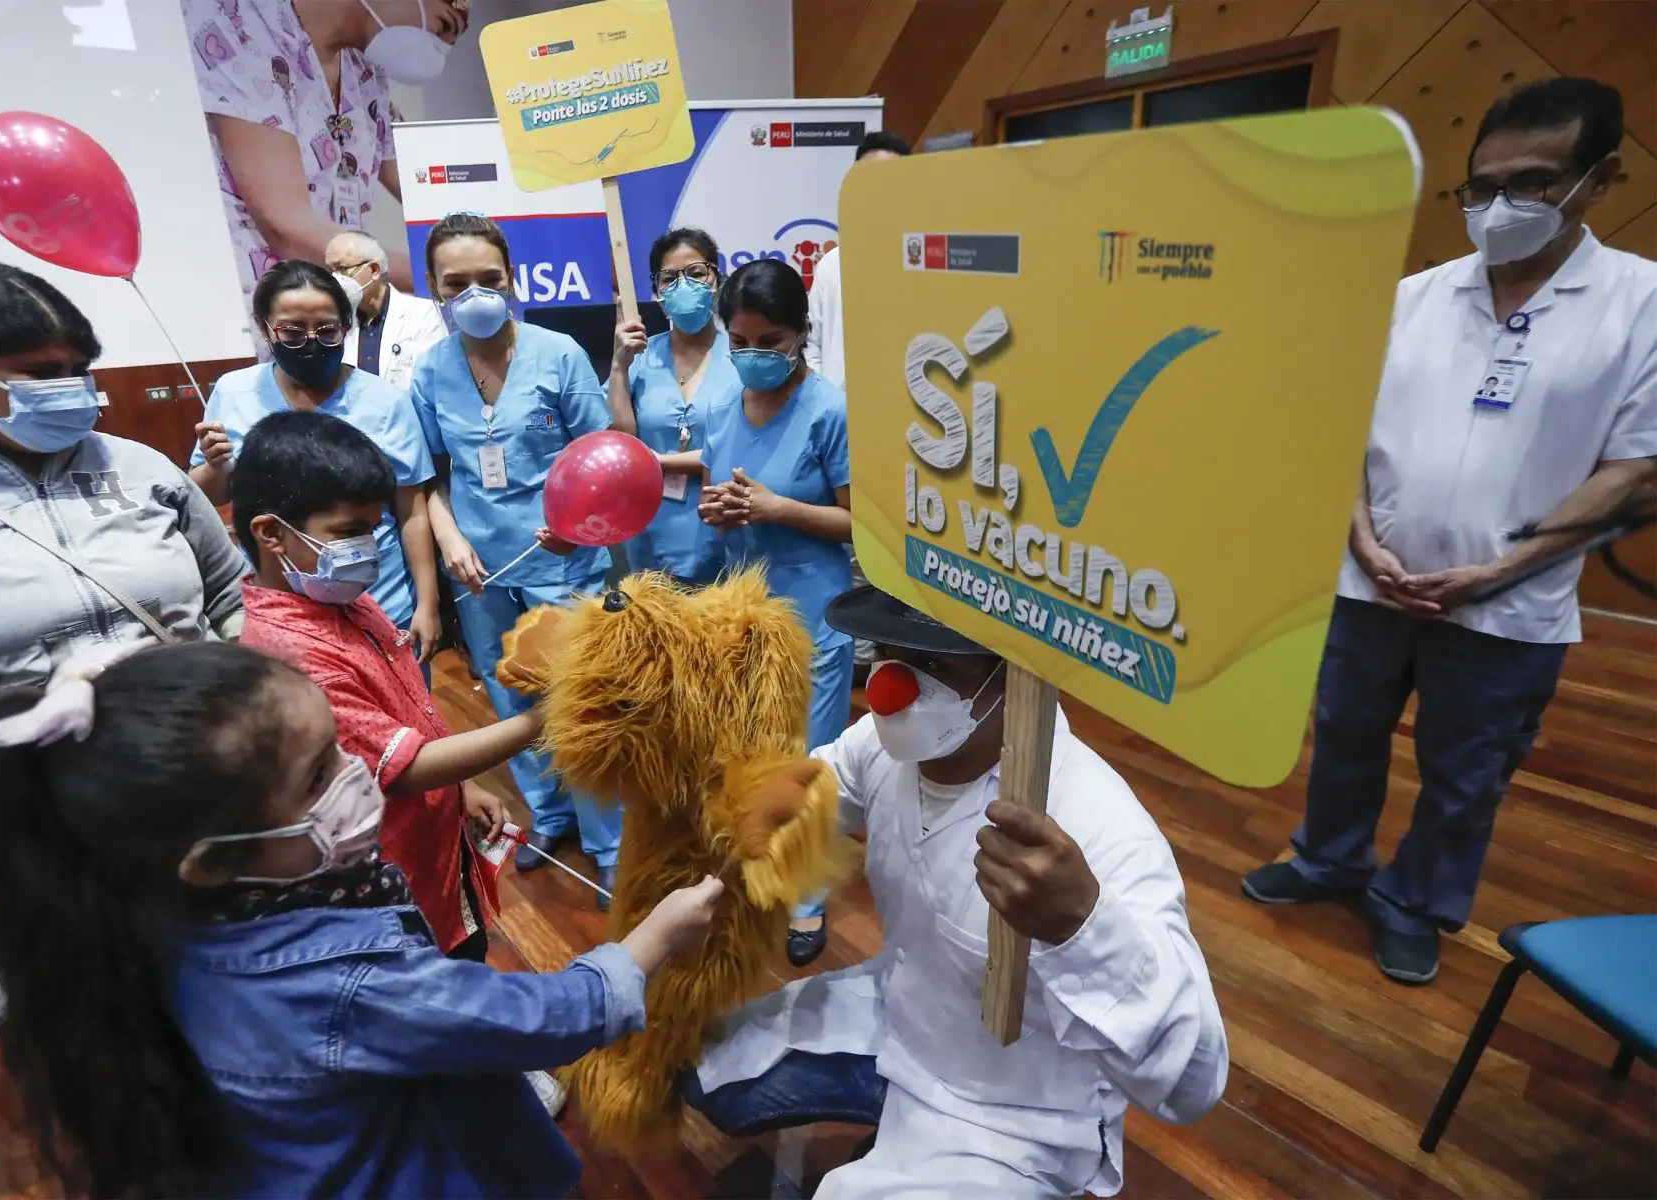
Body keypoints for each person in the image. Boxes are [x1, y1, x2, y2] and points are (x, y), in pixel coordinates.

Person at [0, 638, 725, 1198]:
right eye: (319, 774)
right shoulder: (343, 984)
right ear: (212, 861)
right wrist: (652, 937)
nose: (356, 777)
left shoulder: (147, 917)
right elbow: (545, 1017)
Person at [1242, 78, 1657, 984]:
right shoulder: (1415, 296)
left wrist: (1502, 568)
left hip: (1509, 607)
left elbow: (1638, 469)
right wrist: (1360, 538)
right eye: (1484, 186)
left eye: (1536, 184)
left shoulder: (1639, 304)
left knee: (1466, 775)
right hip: (1372, 582)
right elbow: (1341, 427)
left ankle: (1414, 901)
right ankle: (1329, 860)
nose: (1503, 208)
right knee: (1345, 734)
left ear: (1602, 178)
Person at [684, 586, 1228, 1197]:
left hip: (1016, 1112)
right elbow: (830, 778)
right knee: (703, 1069)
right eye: (890, 651)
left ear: (1019, 678)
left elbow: (1192, 1083)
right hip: (899, 1018)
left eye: (939, 665)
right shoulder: (884, 745)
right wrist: (768, 799)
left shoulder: (1099, 825)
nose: (891, 687)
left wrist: (1082, 927)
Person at [0, 260, 246, 1054]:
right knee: (103, 1018)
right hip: (36, 813)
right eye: (41, 374)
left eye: (80, 371)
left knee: (238, 977)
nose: (71, 390)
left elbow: (231, 595)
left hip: (202, 779)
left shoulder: (141, 469)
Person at [232, 409, 569, 1114]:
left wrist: (470, 780)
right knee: (422, 992)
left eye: (373, 528)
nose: (368, 548)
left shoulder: (350, 606)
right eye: (347, 533)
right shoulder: (287, 650)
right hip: (383, 874)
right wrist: (540, 721)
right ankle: (465, 1094)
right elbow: (404, 766)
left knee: (465, 956)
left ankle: (487, 1071)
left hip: (433, 844)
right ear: (270, 533)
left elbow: (411, 708)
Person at [412, 213, 629, 901]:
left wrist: (578, 525)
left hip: (561, 558)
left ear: (511, 280)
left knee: (577, 698)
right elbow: (425, 477)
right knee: (510, 695)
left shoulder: (557, 354)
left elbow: (603, 462)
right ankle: (550, 813)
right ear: (435, 290)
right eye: (457, 283)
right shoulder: (432, 370)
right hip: (478, 570)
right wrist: (449, 539)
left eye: (489, 279)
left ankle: (611, 844)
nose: (474, 293)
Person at [696, 258, 853, 966]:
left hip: (813, 610)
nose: (755, 356)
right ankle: (758, 865)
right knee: (752, 751)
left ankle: (809, 899)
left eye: (772, 341)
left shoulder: (829, 411)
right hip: (744, 607)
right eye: (741, 341)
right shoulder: (720, 408)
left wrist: (777, 507)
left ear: (801, 334)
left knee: (808, 761)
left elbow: (860, 525)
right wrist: (724, 510)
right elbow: (722, 495)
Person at [191, 260, 441, 663]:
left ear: (347, 326)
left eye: (326, 330)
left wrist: (427, 604)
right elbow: (204, 495)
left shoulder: (387, 402)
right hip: (278, 608)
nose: (310, 341)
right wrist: (215, 466)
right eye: (292, 331)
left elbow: (411, 510)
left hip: (378, 595)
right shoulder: (233, 391)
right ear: (265, 327)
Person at [182, 0, 469, 318]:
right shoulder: (241, 28)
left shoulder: (364, 70)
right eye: (442, 27)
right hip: (250, 316)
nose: (437, 53)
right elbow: (288, 227)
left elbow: (420, 180)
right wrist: (445, 276)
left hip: (333, 314)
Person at [804, 129, 910, 672]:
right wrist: (828, 409)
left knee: (902, 549)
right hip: (844, 429)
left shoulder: (926, 258)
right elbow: (815, 346)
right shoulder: (832, 264)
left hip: (913, 436)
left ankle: (905, 657)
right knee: (852, 549)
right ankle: (863, 665)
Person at [607, 227, 734, 587]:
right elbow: (622, 439)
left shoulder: (740, 357)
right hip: (649, 530)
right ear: (657, 293)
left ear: (717, 280)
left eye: (695, 274)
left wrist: (660, 462)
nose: (683, 286)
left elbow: (743, 445)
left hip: (720, 526)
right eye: (669, 279)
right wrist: (619, 365)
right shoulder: (641, 358)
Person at [803, 130, 910, 392]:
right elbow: (811, 344)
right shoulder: (831, 263)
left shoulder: (923, 264)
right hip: (838, 416)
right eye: (867, 178)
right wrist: (826, 399)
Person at [326, 229, 447, 391]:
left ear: (374, 270)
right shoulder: (336, 322)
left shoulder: (423, 314)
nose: (335, 278)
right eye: (330, 270)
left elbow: (433, 381)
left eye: (341, 268)